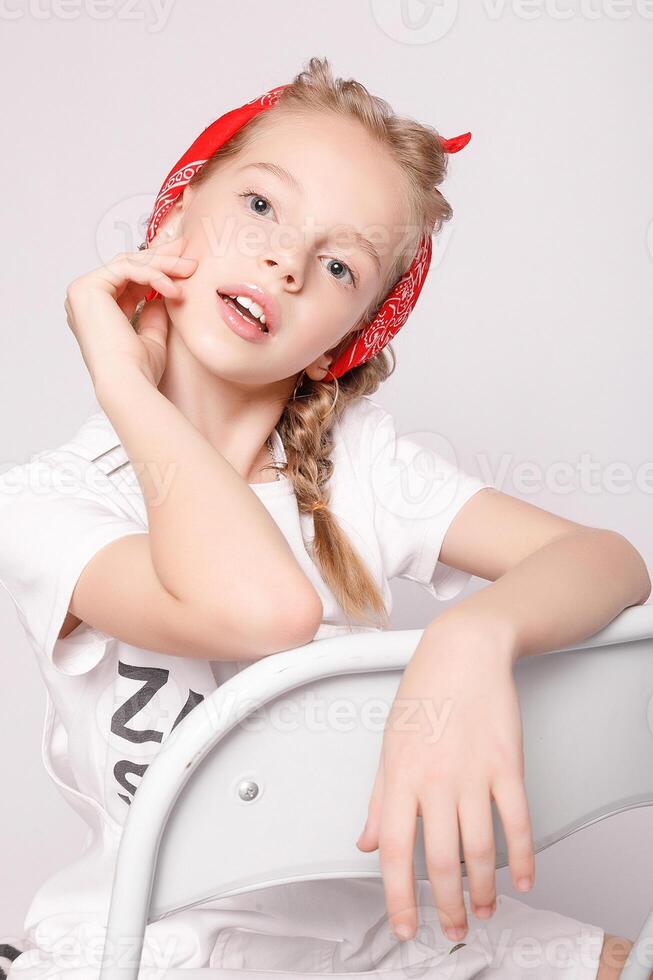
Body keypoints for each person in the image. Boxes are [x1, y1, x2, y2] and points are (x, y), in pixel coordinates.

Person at [0, 56, 649, 979]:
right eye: (262, 207)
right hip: (153, 946)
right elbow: (261, 608)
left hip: (388, 932)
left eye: (339, 263)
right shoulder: (47, 500)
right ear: (173, 216)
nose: (286, 261)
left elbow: (607, 559)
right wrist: (124, 384)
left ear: (341, 345)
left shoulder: (362, 466)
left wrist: (473, 636)